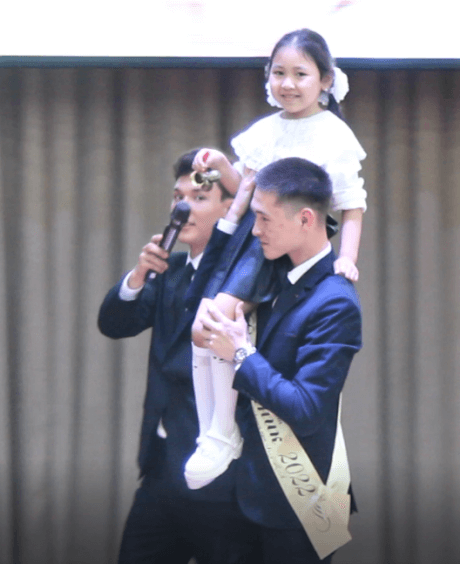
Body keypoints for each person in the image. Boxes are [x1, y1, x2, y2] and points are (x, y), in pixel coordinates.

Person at [184, 28, 366, 490]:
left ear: (326, 80)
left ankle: (223, 432)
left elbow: (352, 207)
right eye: (278, 73)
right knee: (202, 328)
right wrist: (219, 166)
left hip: (283, 245)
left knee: (218, 322)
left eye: (300, 73)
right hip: (251, 236)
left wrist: (347, 258)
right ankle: (212, 430)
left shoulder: (335, 134)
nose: (287, 83)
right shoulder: (266, 129)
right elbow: (246, 187)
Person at [97, 149, 262, 564]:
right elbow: (114, 324)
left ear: (232, 207)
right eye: (177, 197)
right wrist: (138, 277)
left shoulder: (244, 276)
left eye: (199, 197)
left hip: (221, 476)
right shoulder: (168, 268)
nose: (182, 207)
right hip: (160, 466)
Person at [197, 157, 362, 564]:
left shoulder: (335, 301)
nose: (255, 231)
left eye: (264, 218)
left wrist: (241, 353)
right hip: (241, 496)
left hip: (298, 507)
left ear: (305, 219)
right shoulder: (269, 276)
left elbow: (306, 410)